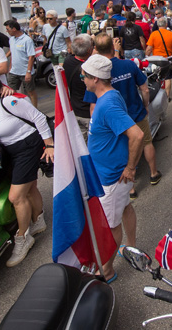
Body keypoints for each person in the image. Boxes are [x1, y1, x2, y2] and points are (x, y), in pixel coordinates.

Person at [0, 72, 53, 267]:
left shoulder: (9, 101)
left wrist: (49, 145)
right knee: (30, 188)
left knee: (16, 197)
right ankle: (38, 220)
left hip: (28, 147)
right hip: (10, 150)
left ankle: (23, 238)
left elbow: (38, 118)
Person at [81, 55, 144, 283]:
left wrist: (130, 168)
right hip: (112, 174)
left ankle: (107, 270)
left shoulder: (107, 104)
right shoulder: (111, 95)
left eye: (84, 76)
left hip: (112, 177)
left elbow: (137, 135)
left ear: (95, 79)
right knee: (125, 208)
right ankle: (131, 246)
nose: (82, 79)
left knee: (110, 225)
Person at [86, 34, 159, 198]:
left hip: (115, 123)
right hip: (136, 113)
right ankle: (153, 173)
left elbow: (93, 106)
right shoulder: (128, 64)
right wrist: (145, 106)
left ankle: (130, 188)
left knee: (125, 149)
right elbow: (145, 89)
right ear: (114, 47)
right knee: (147, 143)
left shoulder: (96, 74)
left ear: (96, 49)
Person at [63, 34, 94, 135]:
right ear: (89, 50)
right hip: (89, 113)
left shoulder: (67, 62)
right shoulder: (90, 68)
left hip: (75, 110)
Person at [4, 19, 37, 108]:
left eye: (8, 29)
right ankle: (14, 108)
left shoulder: (27, 40)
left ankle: (35, 109)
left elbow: (31, 56)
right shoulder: (11, 39)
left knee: (31, 91)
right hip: (14, 71)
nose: (7, 31)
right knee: (11, 91)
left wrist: (28, 72)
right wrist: (8, 63)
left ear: (14, 29)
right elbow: (12, 51)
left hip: (25, 71)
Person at [146, 17, 172, 100]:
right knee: (167, 78)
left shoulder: (153, 34)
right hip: (167, 59)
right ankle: (167, 96)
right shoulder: (171, 34)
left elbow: (149, 48)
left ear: (157, 25)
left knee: (156, 77)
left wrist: (146, 56)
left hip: (155, 59)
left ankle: (157, 95)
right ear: (166, 24)